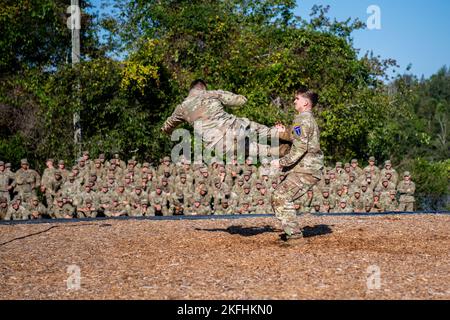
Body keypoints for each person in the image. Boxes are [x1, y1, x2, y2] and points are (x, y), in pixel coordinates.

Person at [161, 79, 290, 161]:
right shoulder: (212, 94)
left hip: (218, 145)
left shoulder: (182, 108)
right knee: (257, 129)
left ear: (191, 90)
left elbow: (167, 126)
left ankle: (276, 151)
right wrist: (240, 97)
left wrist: (167, 131)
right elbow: (240, 101)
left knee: (248, 149)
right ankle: (284, 134)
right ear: (203, 87)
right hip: (233, 128)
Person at [271, 88, 324, 240]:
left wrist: (281, 162)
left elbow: (300, 147)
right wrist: (282, 132)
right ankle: (292, 232)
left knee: (280, 196)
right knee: (280, 196)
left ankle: (294, 235)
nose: (294, 101)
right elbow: (296, 137)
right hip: (305, 168)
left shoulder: (303, 119)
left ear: (306, 102)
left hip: (306, 169)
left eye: (297, 99)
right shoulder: (303, 119)